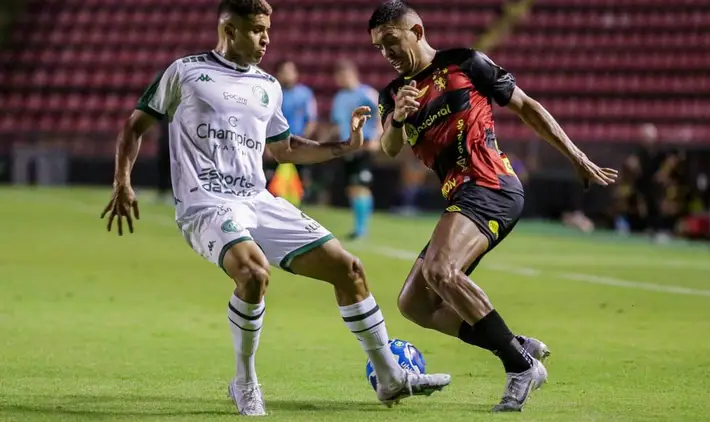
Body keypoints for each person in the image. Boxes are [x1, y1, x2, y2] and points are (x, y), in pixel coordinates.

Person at [100, 0, 450, 416]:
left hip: (257, 199)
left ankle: (390, 378)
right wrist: (123, 181)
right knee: (253, 273)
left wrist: (345, 145)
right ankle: (244, 381)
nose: (266, 38)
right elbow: (134, 125)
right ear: (229, 30)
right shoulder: (185, 72)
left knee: (349, 269)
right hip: (206, 202)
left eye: (268, 29)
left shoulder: (268, 86)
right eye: (256, 30)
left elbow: (284, 149)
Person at [369, 0, 618, 412]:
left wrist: (578, 157)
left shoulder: (466, 63)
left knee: (440, 272)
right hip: (460, 196)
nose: (387, 53)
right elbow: (389, 149)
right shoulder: (394, 95)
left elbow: (528, 108)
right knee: (414, 302)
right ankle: (515, 345)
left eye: (392, 41)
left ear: (416, 31)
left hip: (492, 185)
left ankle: (519, 366)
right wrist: (397, 118)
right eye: (379, 47)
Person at [330, 59, 382, 239]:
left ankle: (362, 229)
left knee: (361, 186)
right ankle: (358, 227)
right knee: (352, 188)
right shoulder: (339, 98)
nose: (340, 80)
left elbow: (381, 115)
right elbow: (338, 124)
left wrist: (376, 138)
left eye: (343, 75)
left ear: (352, 74)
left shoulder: (367, 94)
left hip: (364, 145)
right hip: (348, 146)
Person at [272, 59, 318, 200]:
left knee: (299, 186)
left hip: (297, 145)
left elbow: (311, 121)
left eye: (291, 71)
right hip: (276, 145)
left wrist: (301, 141)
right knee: (275, 186)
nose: (289, 75)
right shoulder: (273, 93)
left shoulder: (305, 94)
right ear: (278, 74)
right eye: (285, 72)